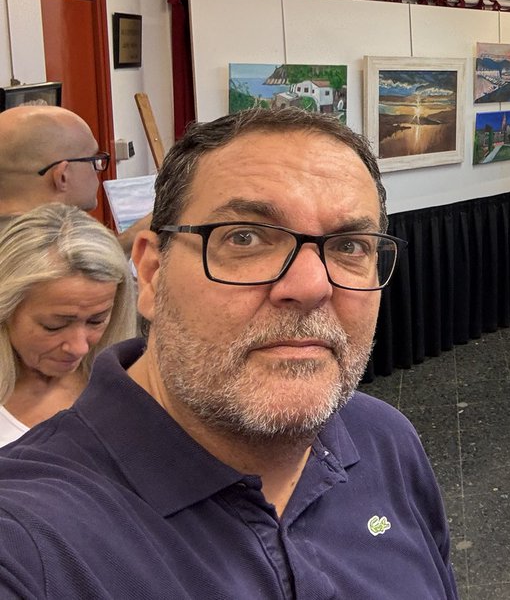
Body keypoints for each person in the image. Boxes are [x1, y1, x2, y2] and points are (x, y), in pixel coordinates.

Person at [0, 107, 459, 598]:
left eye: (349, 245)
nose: (310, 285)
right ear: (152, 274)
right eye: (245, 237)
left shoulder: (383, 439)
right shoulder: (29, 537)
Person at [0, 204, 136, 447]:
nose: (79, 348)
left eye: (97, 320)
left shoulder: (132, 381)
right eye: (54, 326)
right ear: (6, 310)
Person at [0, 105, 147, 252]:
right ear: (62, 176)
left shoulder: (20, 245)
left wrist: (130, 238)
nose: (97, 169)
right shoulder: (61, 259)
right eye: (92, 160)